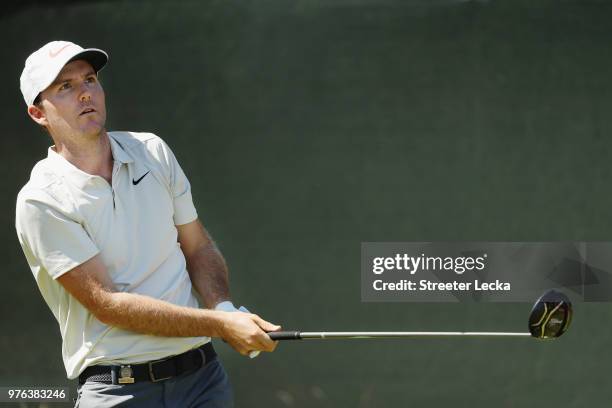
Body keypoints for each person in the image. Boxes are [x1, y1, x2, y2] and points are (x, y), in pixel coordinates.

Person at [15, 40, 280, 408]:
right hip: (118, 391)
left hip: (203, 382)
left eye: (90, 80)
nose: (84, 94)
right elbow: (108, 304)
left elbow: (198, 246)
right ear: (38, 113)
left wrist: (223, 309)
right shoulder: (41, 200)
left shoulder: (152, 151)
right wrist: (219, 326)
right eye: (66, 87)